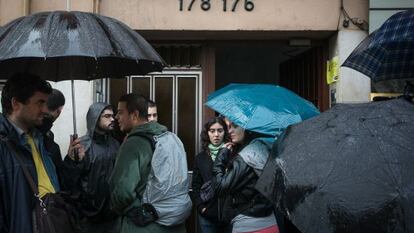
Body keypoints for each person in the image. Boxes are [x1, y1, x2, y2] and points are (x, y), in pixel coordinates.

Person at [109, 93, 186, 233]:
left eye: (120, 112)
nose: (116, 117)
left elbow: (122, 191)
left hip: (144, 227)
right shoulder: (171, 138)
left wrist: (140, 212)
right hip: (176, 221)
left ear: (134, 115)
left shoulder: (133, 144)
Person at [0, 73, 59, 233]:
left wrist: (74, 162)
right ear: (16, 104)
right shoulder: (3, 145)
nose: (45, 110)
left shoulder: (41, 138)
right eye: (40, 103)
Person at [212, 118, 279, 233]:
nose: (230, 131)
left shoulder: (247, 156)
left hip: (248, 225)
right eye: (228, 127)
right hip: (271, 222)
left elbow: (219, 187)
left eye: (235, 126)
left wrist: (220, 158)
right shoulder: (268, 148)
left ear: (248, 128)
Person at [64, 102, 121, 233]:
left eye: (113, 116)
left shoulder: (115, 144)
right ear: (95, 118)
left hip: (113, 215)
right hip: (87, 216)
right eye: (107, 116)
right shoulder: (81, 146)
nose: (113, 119)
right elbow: (70, 181)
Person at [192, 116, 232, 233]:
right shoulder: (200, 158)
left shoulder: (232, 154)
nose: (216, 135)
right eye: (212, 131)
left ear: (225, 132)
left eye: (220, 130)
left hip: (229, 215)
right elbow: (196, 185)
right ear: (207, 133)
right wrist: (201, 208)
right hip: (207, 215)